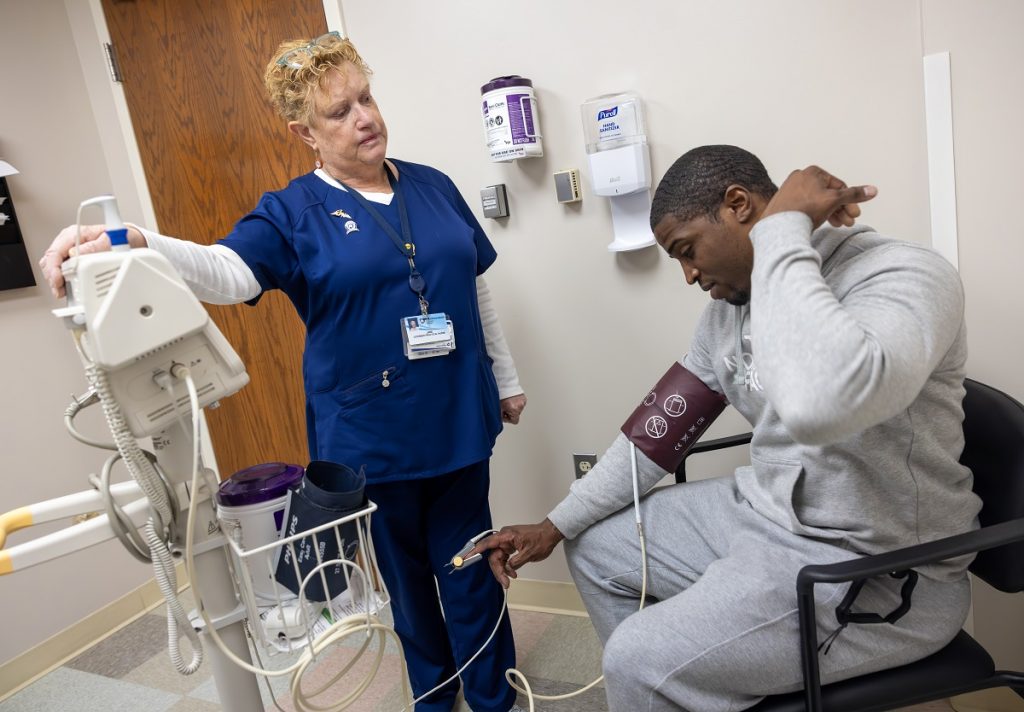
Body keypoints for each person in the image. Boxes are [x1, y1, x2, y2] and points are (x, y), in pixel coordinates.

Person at [41, 32, 526, 712]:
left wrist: (504, 377)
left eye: (366, 98)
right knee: (410, 589)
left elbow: (473, 288)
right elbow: (227, 272)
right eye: (340, 111)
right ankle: (437, 702)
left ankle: (496, 699)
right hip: (373, 438)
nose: (365, 118)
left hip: (456, 418)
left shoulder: (434, 186)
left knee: (471, 571)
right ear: (304, 131)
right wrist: (139, 241)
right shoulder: (292, 211)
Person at [471, 145, 980, 711]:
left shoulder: (902, 273)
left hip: (875, 565)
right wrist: (553, 524)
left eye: (688, 251)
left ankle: (663, 675)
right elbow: (654, 438)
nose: (688, 276)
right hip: (766, 514)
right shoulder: (725, 314)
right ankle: (679, 688)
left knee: (636, 657)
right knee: (593, 545)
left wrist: (783, 232)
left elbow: (822, 405)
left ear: (740, 206)